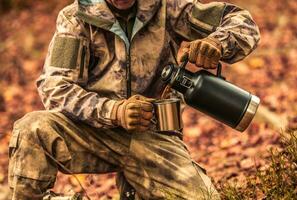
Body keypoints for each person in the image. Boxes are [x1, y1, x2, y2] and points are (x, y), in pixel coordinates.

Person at [8, 0, 260, 199]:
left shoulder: (168, 7)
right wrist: (113, 111)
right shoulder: (77, 18)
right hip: (92, 133)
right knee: (32, 129)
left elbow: (242, 22)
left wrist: (218, 42)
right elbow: (55, 86)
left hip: (154, 138)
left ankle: (137, 189)